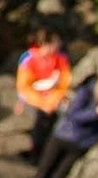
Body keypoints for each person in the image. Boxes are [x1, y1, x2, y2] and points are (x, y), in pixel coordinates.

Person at [16, 28, 75, 161]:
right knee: (39, 119)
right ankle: (35, 152)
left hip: (54, 98)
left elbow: (65, 83)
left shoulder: (61, 58)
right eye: (55, 42)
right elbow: (24, 87)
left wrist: (52, 101)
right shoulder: (28, 58)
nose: (58, 45)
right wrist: (42, 103)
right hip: (33, 99)